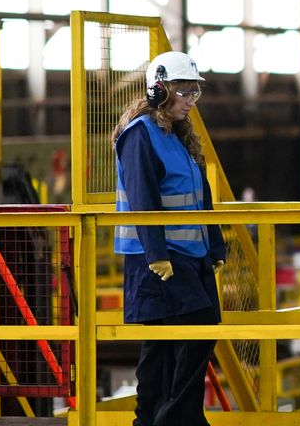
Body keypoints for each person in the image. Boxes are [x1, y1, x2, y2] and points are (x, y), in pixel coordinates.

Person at [112, 51, 226, 426]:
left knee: (160, 345)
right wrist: (157, 254)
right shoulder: (140, 135)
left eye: (195, 93)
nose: (191, 101)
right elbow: (143, 197)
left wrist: (215, 245)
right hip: (158, 258)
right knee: (200, 326)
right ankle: (179, 419)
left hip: (189, 255)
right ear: (159, 90)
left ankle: (150, 420)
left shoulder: (177, 136)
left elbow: (200, 195)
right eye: (184, 92)